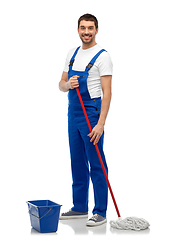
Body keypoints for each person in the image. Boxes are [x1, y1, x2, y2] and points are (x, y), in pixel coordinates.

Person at [59, 13, 113, 227]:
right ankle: (80, 206)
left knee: (96, 163)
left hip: (91, 112)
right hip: (73, 112)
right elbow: (60, 84)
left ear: (96, 30)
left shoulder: (103, 56)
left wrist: (100, 124)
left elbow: (107, 93)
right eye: (83, 28)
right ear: (78, 30)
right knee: (77, 160)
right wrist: (67, 84)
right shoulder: (72, 53)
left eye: (90, 28)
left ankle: (100, 211)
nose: (87, 32)